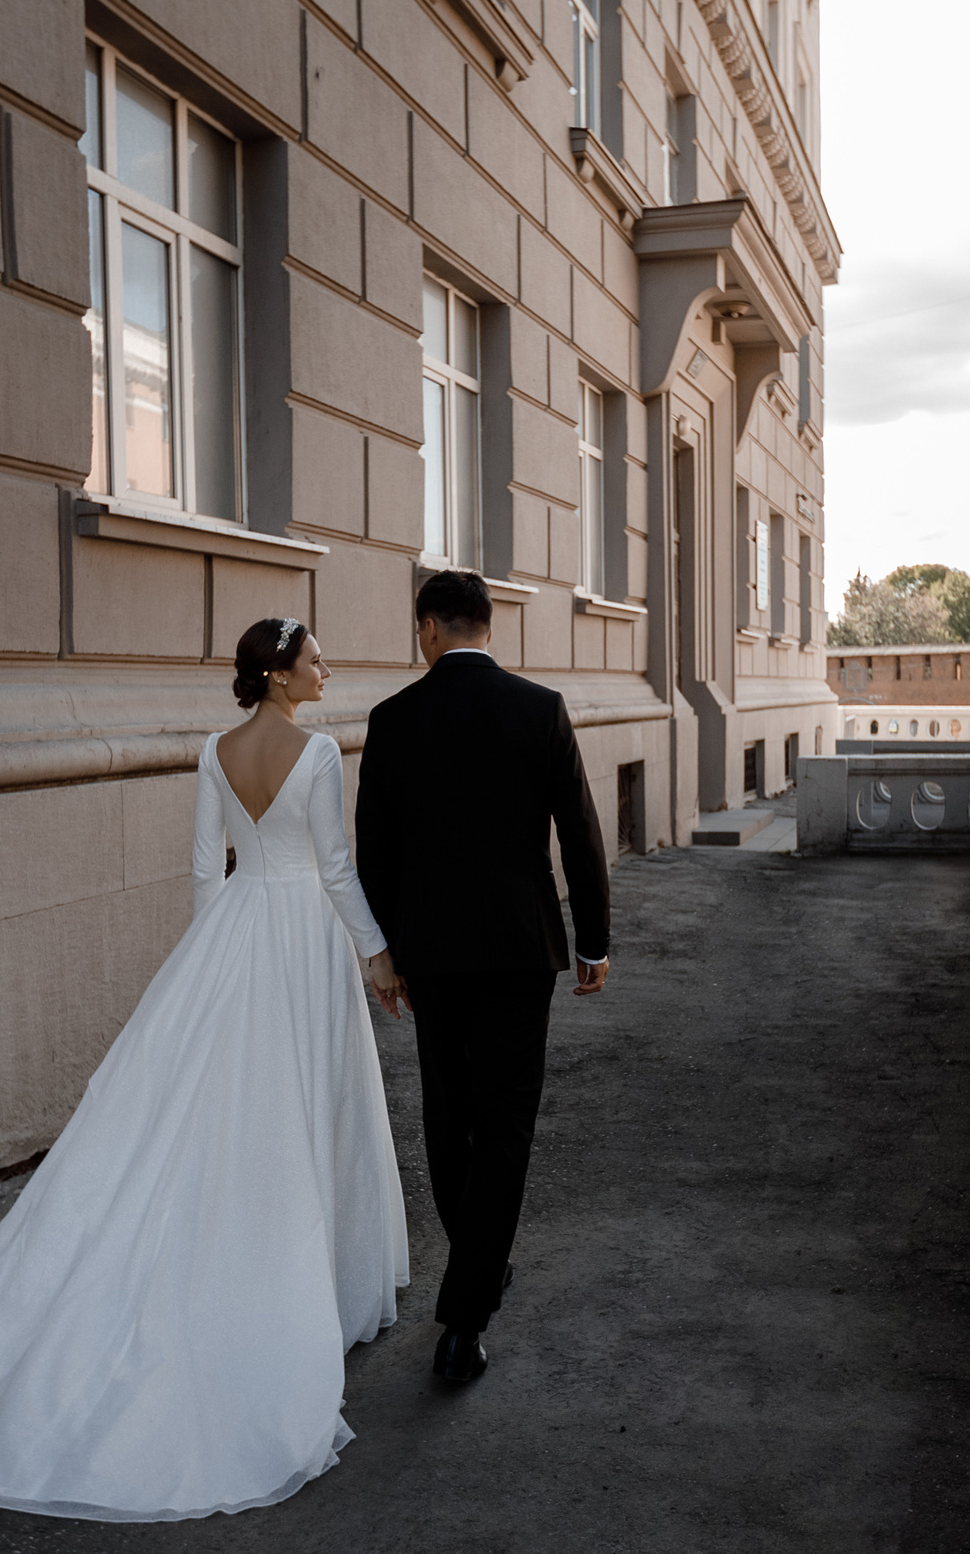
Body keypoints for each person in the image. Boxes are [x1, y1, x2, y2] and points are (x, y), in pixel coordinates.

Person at [0, 619, 407, 1521]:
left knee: (222, 1108)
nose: (326, 667)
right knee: (304, 1102)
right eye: (316, 657)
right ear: (281, 674)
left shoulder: (215, 750)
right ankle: (299, 1280)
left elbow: (203, 875)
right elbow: (334, 868)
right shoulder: (320, 751)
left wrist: (208, 962)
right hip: (301, 944)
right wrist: (373, 952)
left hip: (235, 936)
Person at [355, 570, 611, 1387]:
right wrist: (593, 942)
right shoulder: (539, 709)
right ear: (488, 627)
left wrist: (385, 951)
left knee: (445, 1112)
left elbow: (376, 851)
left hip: (429, 952)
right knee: (505, 1125)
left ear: (428, 627)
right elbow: (579, 831)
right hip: (517, 948)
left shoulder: (392, 719)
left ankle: (474, 1272)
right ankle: (466, 1313)